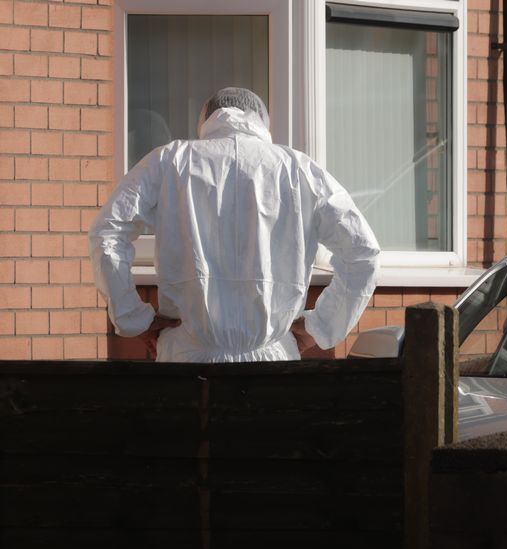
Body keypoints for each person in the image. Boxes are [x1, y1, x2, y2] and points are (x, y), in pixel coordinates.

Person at [89, 87, 379, 361]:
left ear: (206, 120)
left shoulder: (170, 161)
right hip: (272, 359)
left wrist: (134, 319)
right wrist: (319, 327)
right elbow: (362, 252)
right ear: (262, 122)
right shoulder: (299, 170)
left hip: (187, 357)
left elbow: (107, 233)